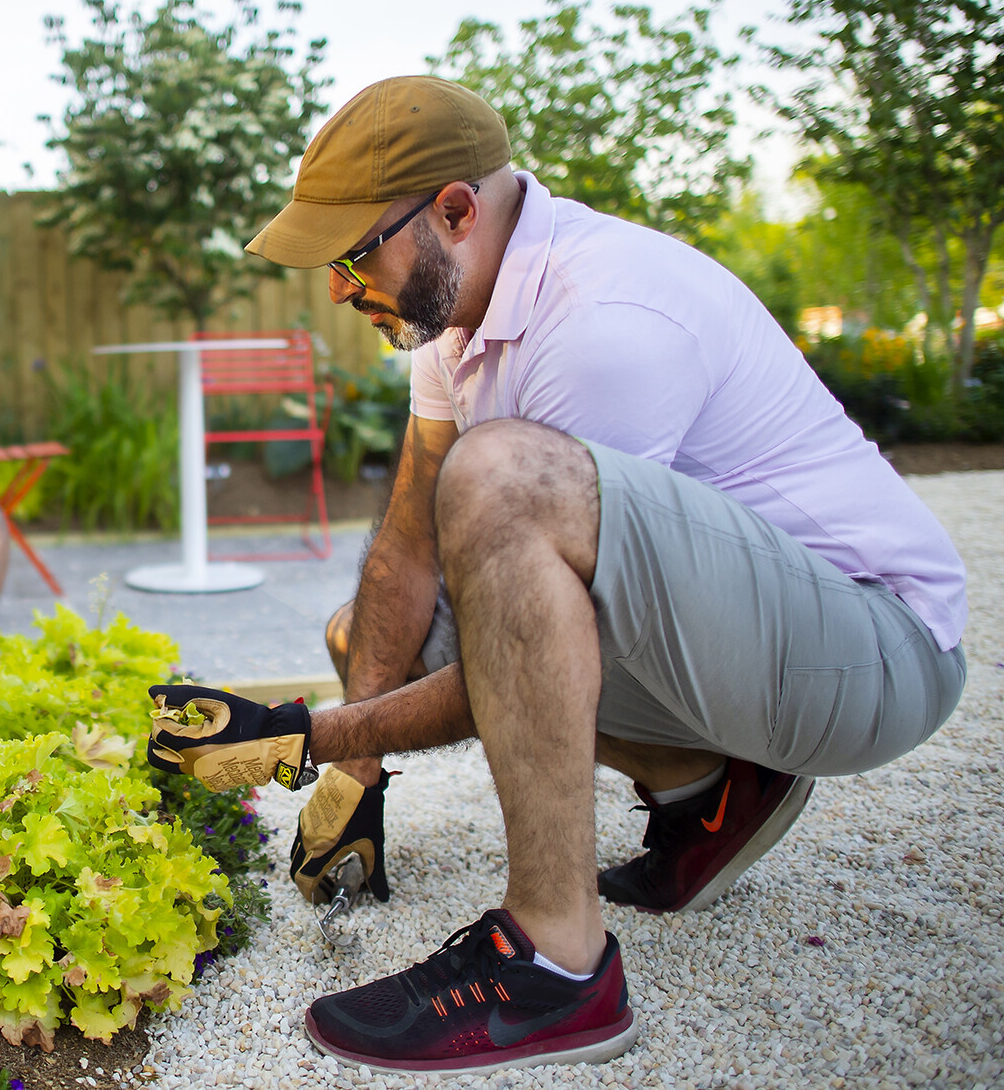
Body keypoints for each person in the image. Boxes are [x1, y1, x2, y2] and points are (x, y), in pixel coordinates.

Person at [144, 75, 967, 1076]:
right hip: (748, 650)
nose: (339, 288)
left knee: (501, 479)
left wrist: (306, 737)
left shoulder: (603, 316)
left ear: (456, 210)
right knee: (368, 631)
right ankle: (711, 789)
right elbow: (408, 544)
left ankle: (556, 962)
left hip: (872, 656)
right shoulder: (456, 314)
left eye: (355, 253)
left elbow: (523, 651)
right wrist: (354, 776)